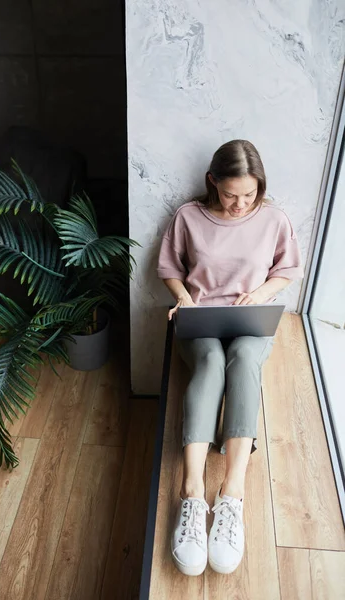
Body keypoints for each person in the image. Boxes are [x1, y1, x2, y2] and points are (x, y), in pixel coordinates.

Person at [156, 139, 304, 577]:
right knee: (209, 364)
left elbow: (287, 270)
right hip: (200, 319)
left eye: (250, 195)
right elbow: (169, 269)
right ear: (212, 182)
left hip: (250, 321)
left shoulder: (274, 218)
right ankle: (193, 495)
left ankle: (231, 497)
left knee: (242, 358)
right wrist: (184, 300)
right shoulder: (188, 217)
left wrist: (258, 294)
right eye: (230, 194)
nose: (241, 205)